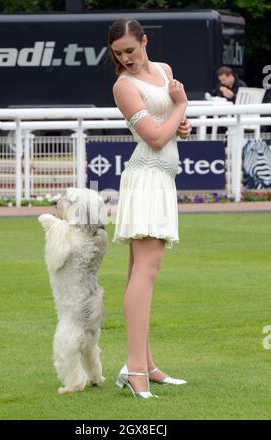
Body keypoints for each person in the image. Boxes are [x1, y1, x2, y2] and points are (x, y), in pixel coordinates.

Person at [108, 17, 191, 399]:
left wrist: (182, 122)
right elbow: (156, 137)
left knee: (139, 273)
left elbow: (171, 125)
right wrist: (181, 105)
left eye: (130, 49)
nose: (125, 58)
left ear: (143, 41)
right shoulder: (123, 87)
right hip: (145, 178)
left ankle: (146, 365)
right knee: (146, 272)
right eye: (118, 53)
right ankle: (135, 369)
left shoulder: (165, 70)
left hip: (162, 178)